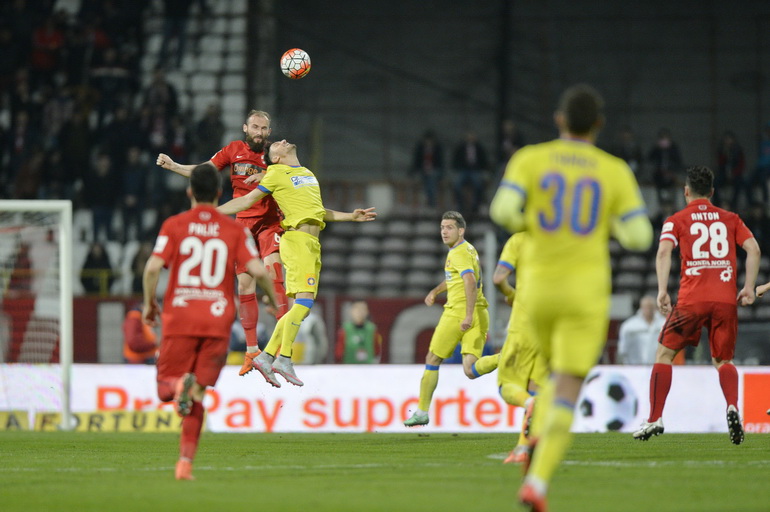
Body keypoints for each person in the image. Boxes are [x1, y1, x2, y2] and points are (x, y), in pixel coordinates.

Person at [490, 84, 653, 511]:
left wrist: (539, 221)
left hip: (537, 293)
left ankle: (532, 435)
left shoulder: (530, 159)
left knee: (539, 384)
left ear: (559, 120)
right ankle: (538, 481)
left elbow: (502, 213)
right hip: (584, 293)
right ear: (599, 125)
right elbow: (639, 237)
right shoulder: (614, 169)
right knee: (564, 387)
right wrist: (607, 223)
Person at [142, 164, 276, 481]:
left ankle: (178, 386)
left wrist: (149, 304)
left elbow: (151, 268)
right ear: (219, 193)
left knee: (166, 391)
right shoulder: (234, 230)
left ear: (189, 191)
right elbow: (257, 271)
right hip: (217, 320)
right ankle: (185, 464)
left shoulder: (175, 224)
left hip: (180, 317)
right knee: (198, 394)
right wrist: (271, 298)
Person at [216, 138, 377, 387]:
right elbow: (247, 201)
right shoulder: (276, 172)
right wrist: (214, 211)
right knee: (303, 304)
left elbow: (319, 211)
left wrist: (351, 217)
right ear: (277, 158)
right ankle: (283, 357)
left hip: (312, 245)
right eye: (276, 146)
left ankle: (267, 356)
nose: (281, 141)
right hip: (296, 241)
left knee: (300, 307)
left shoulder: (307, 174)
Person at [156, 110, 290, 378]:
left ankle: (282, 353)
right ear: (245, 127)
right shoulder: (233, 150)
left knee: (274, 273)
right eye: (255, 127)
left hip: (270, 222)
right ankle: (253, 351)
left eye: (264, 128)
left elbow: (292, 175)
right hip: (242, 223)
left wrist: (266, 178)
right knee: (244, 285)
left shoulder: (276, 154)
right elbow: (205, 170)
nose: (259, 132)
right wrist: (174, 166)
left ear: (269, 131)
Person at [633, 165, 759, 447]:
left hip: (691, 300)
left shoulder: (676, 219)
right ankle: (732, 407)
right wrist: (749, 287)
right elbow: (754, 249)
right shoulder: (731, 219)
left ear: (686, 191)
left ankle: (655, 418)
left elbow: (664, 251)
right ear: (712, 192)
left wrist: (662, 290)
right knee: (723, 361)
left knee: (664, 354)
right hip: (725, 300)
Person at [403, 210, 499, 427]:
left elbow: (469, 282)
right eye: (442, 227)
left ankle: (422, 411)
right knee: (470, 369)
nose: (444, 232)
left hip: (458, 312)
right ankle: (507, 357)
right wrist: (436, 291)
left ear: (461, 230)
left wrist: (466, 315)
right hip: (481, 312)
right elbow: (455, 279)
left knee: (432, 359)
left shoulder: (458, 253)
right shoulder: (468, 250)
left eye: (449, 228)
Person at [493, 232, 548, 465]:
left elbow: (498, 278)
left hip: (525, 324)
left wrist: (511, 293)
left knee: (508, 386)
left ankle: (528, 404)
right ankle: (523, 448)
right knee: (535, 387)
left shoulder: (519, 240)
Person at [617, 295, 665, 365]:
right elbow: (623, 348)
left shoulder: (664, 324)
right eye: (646, 307)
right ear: (641, 307)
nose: (648, 310)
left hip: (658, 366)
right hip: (634, 367)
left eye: (651, 307)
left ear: (655, 308)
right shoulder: (629, 326)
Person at [410, 129, 444, 209]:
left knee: (431, 179)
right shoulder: (420, 148)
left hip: (435, 170)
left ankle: (431, 202)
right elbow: (416, 161)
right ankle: (427, 201)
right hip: (423, 170)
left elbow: (440, 162)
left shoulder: (437, 148)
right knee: (424, 180)